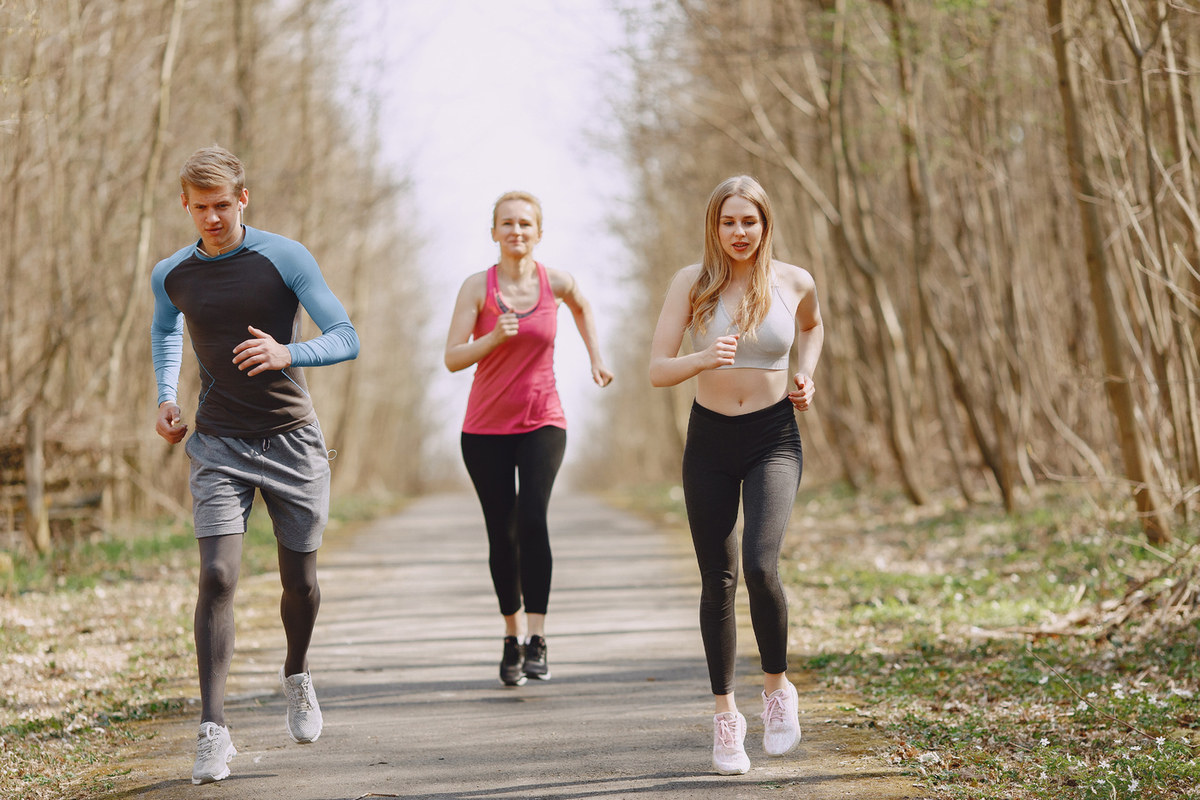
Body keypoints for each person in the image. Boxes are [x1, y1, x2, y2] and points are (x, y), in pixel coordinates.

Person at [150, 146, 359, 784]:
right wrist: (165, 395)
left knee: (300, 584)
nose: (211, 218)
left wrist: (288, 351)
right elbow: (165, 331)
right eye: (200, 207)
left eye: (222, 206)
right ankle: (213, 730)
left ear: (243, 200)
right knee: (216, 575)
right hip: (218, 442)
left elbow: (346, 335)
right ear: (185, 204)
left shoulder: (284, 257)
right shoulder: (172, 273)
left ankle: (296, 671)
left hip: (293, 438)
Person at [649, 175, 824, 775]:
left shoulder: (794, 281)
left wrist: (807, 373)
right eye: (729, 222)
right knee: (717, 579)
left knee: (760, 565)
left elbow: (812, 325)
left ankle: (777, 691)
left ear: (765, 224)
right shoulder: (691, 284)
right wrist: (702, 357)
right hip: (710, 439)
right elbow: (656, 368)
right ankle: (726, 716)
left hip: (774, 437)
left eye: (749, 221)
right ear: (713, 226)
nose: (739, 232)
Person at [444, 190, 613, 687]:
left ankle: (538, 637)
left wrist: (595, 357)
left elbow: (582, 307)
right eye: (507, 223)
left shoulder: (555, 282)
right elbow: (453, 357)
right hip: (483, 429)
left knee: (533, 516)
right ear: (493, 232)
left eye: (525, 224)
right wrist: (494, 336)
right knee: (503, 530)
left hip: (543, 419)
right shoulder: (478, 287)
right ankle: (511, 636)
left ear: (539, 232)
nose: (516, 231)